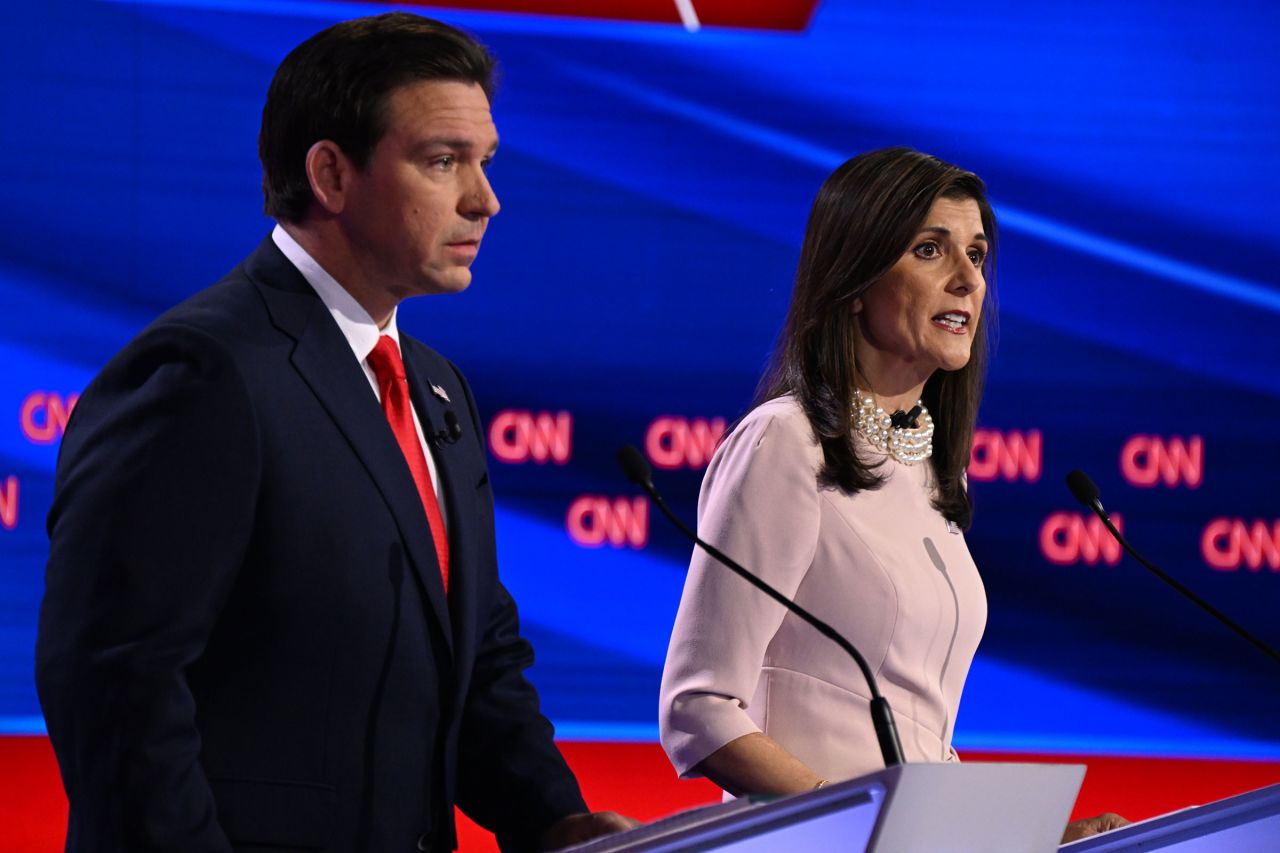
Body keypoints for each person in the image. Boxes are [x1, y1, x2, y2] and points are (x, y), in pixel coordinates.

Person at [36, 13, 632, 852]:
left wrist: (556, 818)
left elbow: (477, 651)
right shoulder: (206, 371)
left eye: (484, 162)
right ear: (330, 173)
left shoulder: (433, 385)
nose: (484, 199)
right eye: (442, 160)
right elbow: (115, 682)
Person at [658, 148, 1124, 841]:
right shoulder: (786, 443)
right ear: (855, 278)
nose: (968, 280)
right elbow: (698, 707)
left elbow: (914, 740)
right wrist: (859, 822)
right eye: (931, 250)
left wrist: (1026, 839)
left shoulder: (936, 470)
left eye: (977, 254)